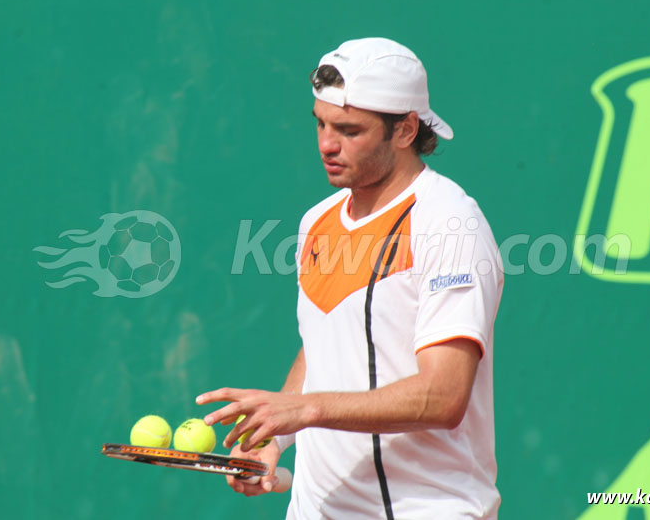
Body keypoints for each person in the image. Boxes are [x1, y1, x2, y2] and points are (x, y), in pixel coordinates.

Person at [197, 37, 504, 519]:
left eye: (348, 130)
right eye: (319, 123)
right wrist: (277, 433)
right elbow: (324, 340)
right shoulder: (317, 221)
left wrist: (309, 410)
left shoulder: (448, 223)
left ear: (404, 130)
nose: (326, 144)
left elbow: (444, 396)